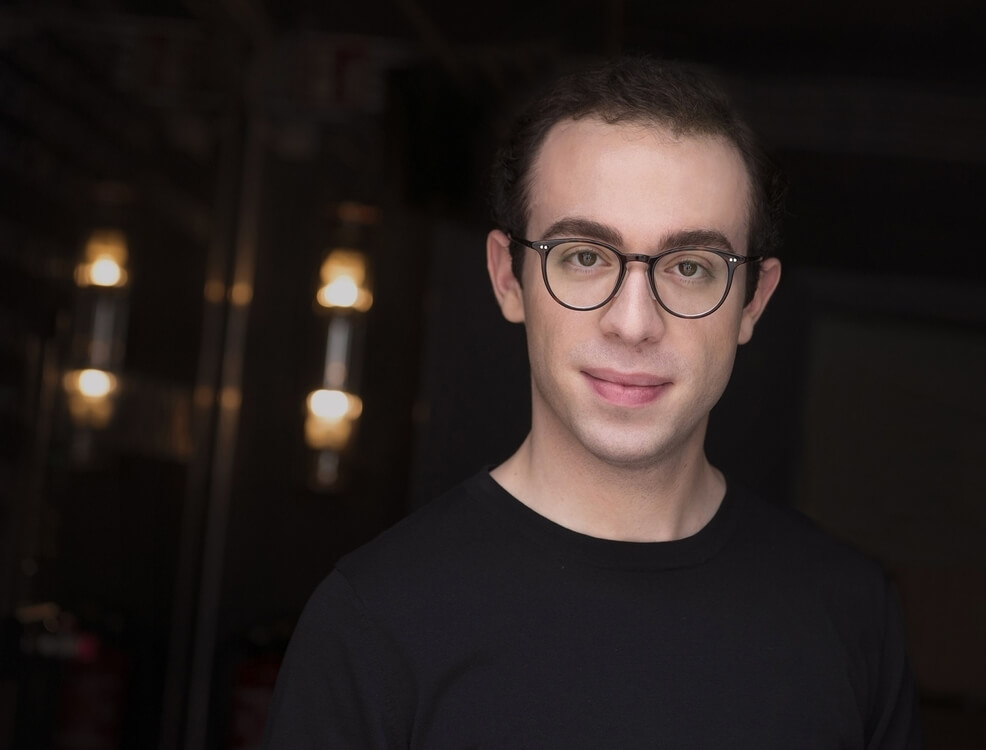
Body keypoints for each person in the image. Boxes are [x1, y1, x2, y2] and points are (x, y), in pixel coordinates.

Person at [263, 57, 923, 749]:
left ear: (752, 301)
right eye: (584, 256)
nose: (633, 323)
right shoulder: (373, 620)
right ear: (508, 278)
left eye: (690, 267)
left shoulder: (851, 613)